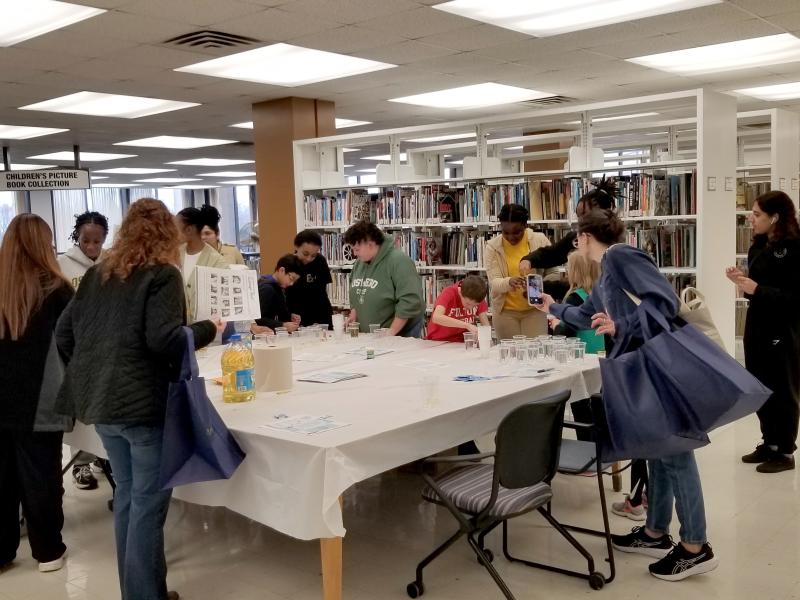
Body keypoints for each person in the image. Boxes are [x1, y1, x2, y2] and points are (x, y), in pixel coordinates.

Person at [538, 208, 718, 581]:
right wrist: (551, 308)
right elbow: (589, 314)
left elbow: (662, 302)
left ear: (585, 236)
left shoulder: (620, 255)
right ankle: (655, 532)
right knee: (657, 449)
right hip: (637, 365)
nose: (576, 241)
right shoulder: (607, 272)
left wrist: (622, 324)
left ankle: (695, 547)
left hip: (654, 364)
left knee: (676, 451)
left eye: (577, 236)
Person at [56, 198, 222, 600]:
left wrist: (94, 368)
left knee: (129, 497)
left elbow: (64, 335)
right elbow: (164, 339)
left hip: (102, 404)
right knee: (147, 505)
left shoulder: (97, 276)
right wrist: (207, 329)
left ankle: (141, 590)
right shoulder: (162, 275)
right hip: (143, 407)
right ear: (168, 234)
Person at [0, 214, 73, 574]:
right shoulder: (57, 290)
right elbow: (73, 344)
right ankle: (48, 551)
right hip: (39, 400)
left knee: (1, 479)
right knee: (41, 476)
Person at [726, 190, 800, 474]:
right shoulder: (757, 245)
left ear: (775, 217)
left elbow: (794, 298)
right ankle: (769, 442)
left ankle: (785, 450)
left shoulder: (795, 249)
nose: (751, 219)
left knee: (783, 389)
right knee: (760, 385)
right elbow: (759, 287)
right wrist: (742, 282)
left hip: (783, 328)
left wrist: (757, 289)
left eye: (757, 214)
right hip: (757, 326)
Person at [57, 211, 109, 491]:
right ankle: (81, 464)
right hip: (76, 346)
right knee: (82, 413)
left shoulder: (111, 264)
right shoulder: (62, 265)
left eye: (97, 242)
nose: (91, 247)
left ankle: (104, 456)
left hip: (106, 344)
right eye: (86, 240)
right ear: (77, 237)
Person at [485, 204, 558, 340]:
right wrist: (509, 282)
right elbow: (494, 282)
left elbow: (554, 272)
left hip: (535, 311)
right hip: (505, 313)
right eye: (505, 232)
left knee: (535, 355)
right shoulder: (492, 247)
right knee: (509, 357)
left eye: (517, 232)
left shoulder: (539, 240)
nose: (511, 237)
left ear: (525, 225)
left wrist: (537, 285)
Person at [343, 221, 425, 337]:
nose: (354, 254)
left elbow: (410, 300)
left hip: (397, 337)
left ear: (370, 244)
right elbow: (356, 294)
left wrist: (391, 331)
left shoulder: (399, 261)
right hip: (369, 338)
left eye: (357, 249)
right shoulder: (359, 263)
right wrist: (354, 314)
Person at [519, 177, 617, 273]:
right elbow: (552, 254)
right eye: (579, 215)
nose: (580, 221)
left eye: (585, 215)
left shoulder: (614, 245)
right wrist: (529, 260)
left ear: (603, 214)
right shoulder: (575, 238)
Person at [176, 205, 230, 323]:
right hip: (180, 329)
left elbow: (228, 296)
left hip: (207, 330)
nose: (173, 232)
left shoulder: (216, 261)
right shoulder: (174, 254)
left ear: (189, 230)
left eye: (176, 228)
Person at [285, 229, 333, 329]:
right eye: (305, 254)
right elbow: (285, 294)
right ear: (296, 247)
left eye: (313, 255)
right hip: (297, 318)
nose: (309, 258)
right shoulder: (288, 264)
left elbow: (322, 292)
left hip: (321, 316)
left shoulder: (320, 261)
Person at [426, 275, 490, 343]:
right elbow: (436, 317)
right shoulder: (449, 292)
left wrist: (487, 339)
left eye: (475, 306)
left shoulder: (477, 295)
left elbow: (486, 325)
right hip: (439, 340)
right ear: (460, 292)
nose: (470, 308)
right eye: (468, 303)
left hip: (461, 342)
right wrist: (466, 325)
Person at [255, 254, 302, 332]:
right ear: (282, 270)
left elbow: (277, 312)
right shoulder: (267, 288)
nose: (291, 284)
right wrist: (282, 325)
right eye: (291, 278)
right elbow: (258, 320)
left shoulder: (278, 287)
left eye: (294, 281)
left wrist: (290, 316)